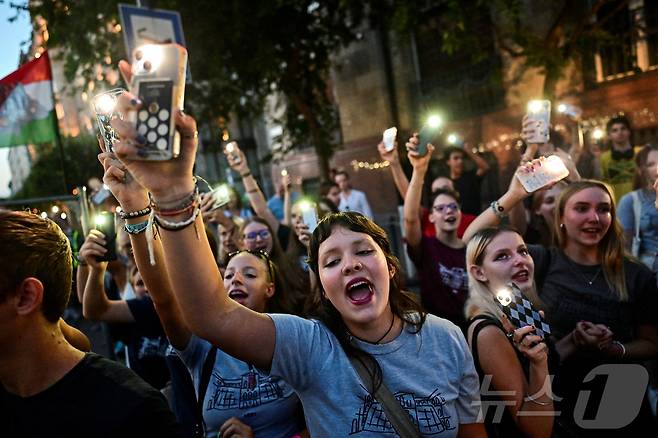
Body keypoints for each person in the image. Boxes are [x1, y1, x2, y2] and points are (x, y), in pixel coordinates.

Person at [108, 76, 486, 436]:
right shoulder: (308, 346)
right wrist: (174, 195)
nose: (350, 263)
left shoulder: (447, 340)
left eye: (362, 251)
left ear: (389, 266)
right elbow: (210, 315)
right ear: (320, 284)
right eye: (331, 261)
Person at [96, 147, 305, 438]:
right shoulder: (202, 344)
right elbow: (164, 298)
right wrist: (134, 207)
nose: (236, 281)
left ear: (271, 288)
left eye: (249, 274)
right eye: (229, 275)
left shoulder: (294, 339)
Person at [463, 169, 658, 436]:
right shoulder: (542, 261)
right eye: (581, 208)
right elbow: (475, 241)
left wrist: (614, 348)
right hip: (565, 402)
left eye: (603, 209)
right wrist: (516, 194)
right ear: (562, 217)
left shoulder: (637, 275)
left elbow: (652, 343)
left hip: (623, 400)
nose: (594, 217)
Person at [0, 209, 181, 437]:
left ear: (27, 297)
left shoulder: (134, 412)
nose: (130, 254)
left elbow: (96, 311)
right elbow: (90, 312)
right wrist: (89, 267)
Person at [465, 227, 562, 437]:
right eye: (502, 256)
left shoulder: (519, 311)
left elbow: (549, 361)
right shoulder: (489, 332)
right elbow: (536, 430)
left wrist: (576, 340)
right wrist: (539, 362)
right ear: (479, 272)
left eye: (523, 251)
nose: (520, 260)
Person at [79, 231, 171, 390]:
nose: (133, 249)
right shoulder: (123, 276)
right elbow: (90, 306)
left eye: (136, 242)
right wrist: (86, 263)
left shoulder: (171, 296)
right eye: (141, 283)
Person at [403, 137, 469, 329]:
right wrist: (419, 170)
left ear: (459, 212)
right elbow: (410, 219)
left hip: (474, 329)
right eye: (440, 208)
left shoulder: (471, 248)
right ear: (430, 217)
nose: (448, 211)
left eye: (452, 207)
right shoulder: (426, 247)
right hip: (439, 331)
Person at [617, 144, 658, 270]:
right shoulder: (630, 201)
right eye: (651, 164)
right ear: (641, 170)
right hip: (650, 269)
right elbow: (624, 247)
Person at [598, 115, 641, 202]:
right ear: (609, 135)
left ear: (629, 132)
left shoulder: (641, 152)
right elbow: (603, 183)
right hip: (616, 203)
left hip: (642, 202)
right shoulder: (604, 158)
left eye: (623, 128)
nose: (619, 132)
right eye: (615, 130)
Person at [443, 145, 490, 216]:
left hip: (474, 221)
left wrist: (469, 152)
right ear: (448, 162)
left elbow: (485, 167)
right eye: (456, 158)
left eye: (462, 158)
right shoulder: (446, 183)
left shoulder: (470, 176)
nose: (460, 161)